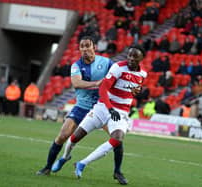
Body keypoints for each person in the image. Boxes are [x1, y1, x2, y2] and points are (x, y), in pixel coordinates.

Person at [53, 45, 147, 184]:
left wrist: (136, 91)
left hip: (121, 112)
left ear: (141, 58)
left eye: (135, 56)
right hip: (103, 107)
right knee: (75, 137)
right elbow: (103, 88)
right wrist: (110, 108)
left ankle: (82, 163)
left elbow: (135, 88)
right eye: (129, 55)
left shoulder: (143, 74)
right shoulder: (118, 68)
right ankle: (65, 157)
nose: (131, 59)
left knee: (118, 139)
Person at [36, 36, 122, 179]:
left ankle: (117, 172)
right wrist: (98, 83)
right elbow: (77, 83)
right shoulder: (76, 66)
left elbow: (117, 77)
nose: (85, 49)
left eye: (87, 45)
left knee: (117, 138)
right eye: (82, 46)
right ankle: (47, 168)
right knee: (63, 135)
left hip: (102, 107)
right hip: (82, 107)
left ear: (94, 47)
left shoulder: (106, 62)